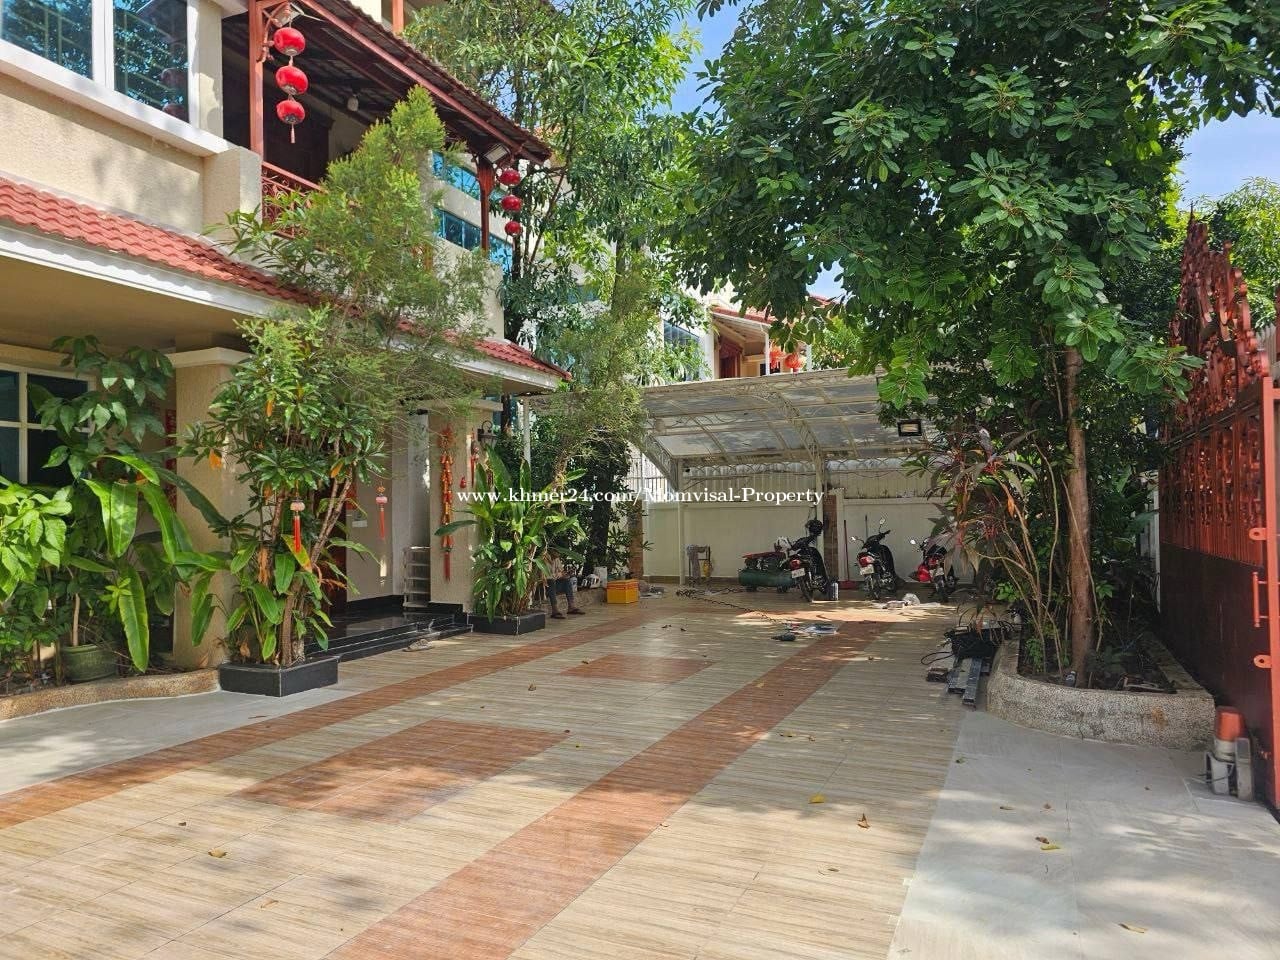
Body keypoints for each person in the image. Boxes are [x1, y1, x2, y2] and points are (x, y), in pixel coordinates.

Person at [547, 549, 585, 618]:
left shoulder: (557, 559)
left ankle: (571, 607)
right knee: (551, 581)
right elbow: (545, 577)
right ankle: (555, 610)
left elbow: (561, 572)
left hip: (555, 584)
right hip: (545, 586)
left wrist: (566, 574)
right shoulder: (543, 559)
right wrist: (558, 575)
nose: (558, 554)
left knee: (567, 581)